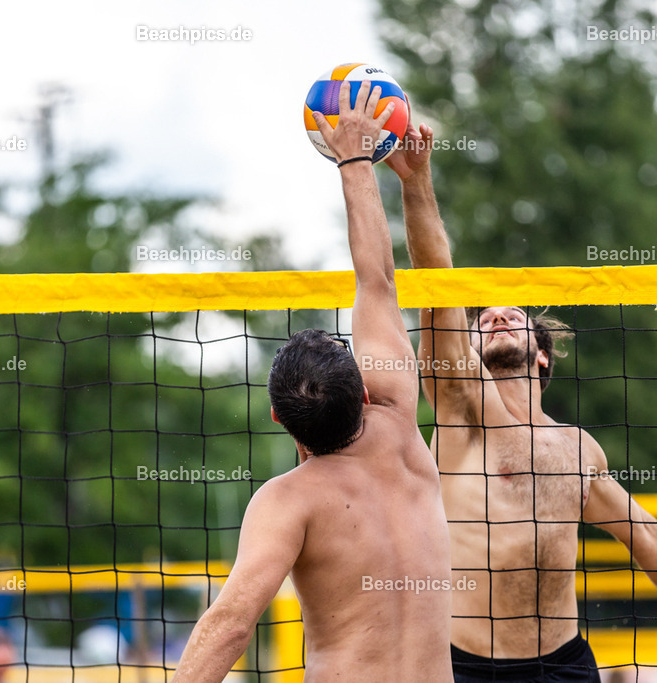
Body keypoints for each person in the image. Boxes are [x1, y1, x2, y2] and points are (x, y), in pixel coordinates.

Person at [383, 122, 657, 681]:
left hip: (565, 664)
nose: (496, 317)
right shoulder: (461, 409)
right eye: (483, 321)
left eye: (513, 315)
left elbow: (642, 529)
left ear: (543, 356)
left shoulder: (578, 449)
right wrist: (417, 179)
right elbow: (438, 280)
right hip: (466, 667)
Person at [171, 82, 453, 682]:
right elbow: (377, 278)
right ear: (364, 389)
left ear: (278, 418)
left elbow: (230, 623)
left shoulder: (288, 500)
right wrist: (361, 163)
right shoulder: (400, 423)